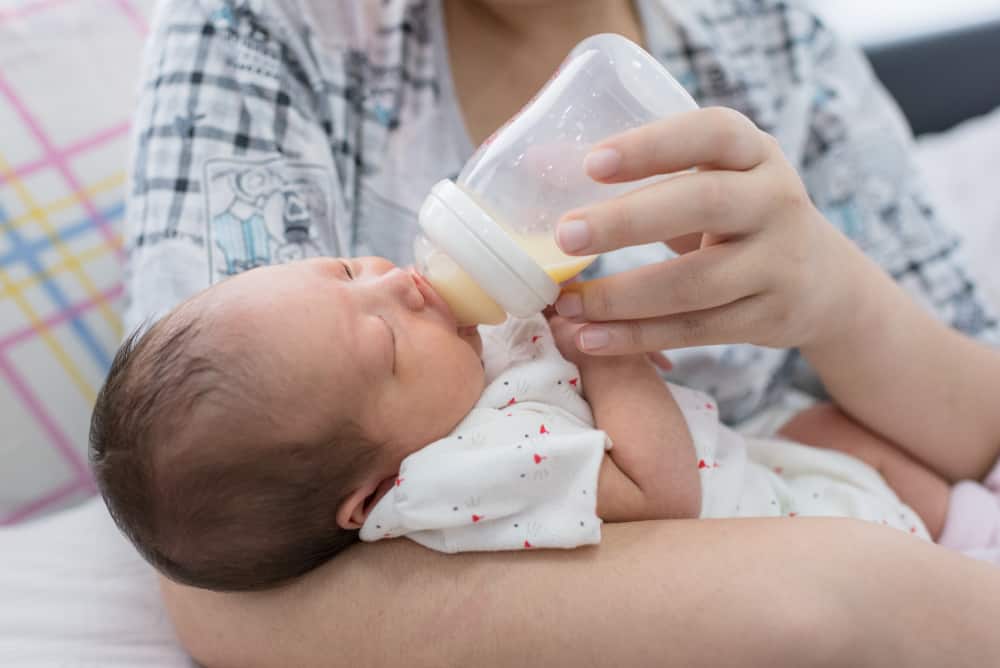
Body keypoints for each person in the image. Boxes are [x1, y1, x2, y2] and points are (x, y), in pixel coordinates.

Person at [127, 0, 1000, 664]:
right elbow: (220, 572)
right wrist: (835, 590)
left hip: (829, 475)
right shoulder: (266, 27)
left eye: (357, 269)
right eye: (386, 338)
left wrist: (836, 297)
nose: (400, 282)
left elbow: (979, 427)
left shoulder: (762, 31)